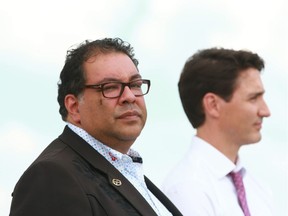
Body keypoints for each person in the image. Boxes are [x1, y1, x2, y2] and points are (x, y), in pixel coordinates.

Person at [9, 37, 182, 216]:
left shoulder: (123, 167)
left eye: (135, 84)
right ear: (74, 107)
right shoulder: (51, 177)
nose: (129, 96)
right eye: (110, 87)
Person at [162, 48, 274, 215]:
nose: (265, 111)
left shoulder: (257, 187)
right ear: (213, 105)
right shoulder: (188, 188)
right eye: (253, 98)